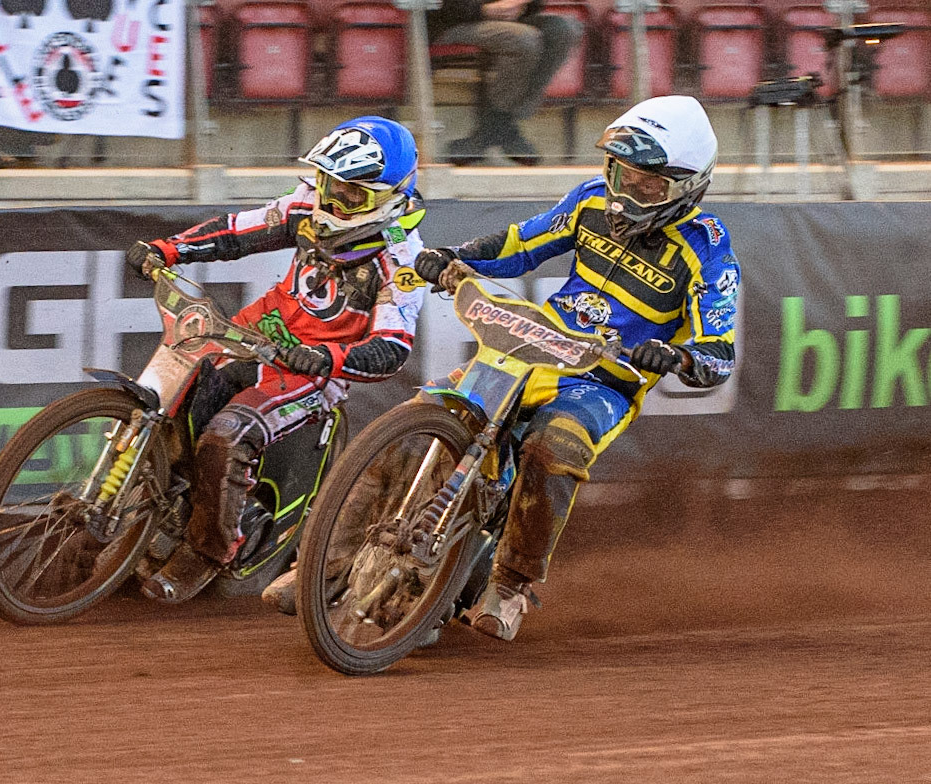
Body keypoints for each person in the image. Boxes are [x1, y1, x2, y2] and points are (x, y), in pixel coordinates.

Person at [413, 95, 740, 641]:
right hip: (535, 346)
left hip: (605, 379)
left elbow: (719, 351)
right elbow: (521, 244)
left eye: (647, 184)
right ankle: (331, 557)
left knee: (553, 447)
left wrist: (677, 356)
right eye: (620, 172)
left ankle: (512, 584)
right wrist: (454, 255)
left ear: (687, 185)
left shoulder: (707, 250)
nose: (626, 190)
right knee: (427, 411)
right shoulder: (590, 201)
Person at [126, 116, 427, 604]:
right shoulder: (305, 207)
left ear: (389, 197)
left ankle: (208, 552)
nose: (332, 201)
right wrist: (168, 249)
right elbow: (235, 233)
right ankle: (137, 516)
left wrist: (324, 357)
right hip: (252, 332)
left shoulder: (401, 259)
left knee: (227, 434)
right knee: (165, 406)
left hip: (309, 372)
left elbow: (392, 348)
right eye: (329, 184)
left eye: (351, 194)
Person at [428, 0, 583, 165]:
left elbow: (535, 6)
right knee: (524, 39)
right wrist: (483, 10)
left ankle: (497, 126)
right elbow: (443, 7)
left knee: (563, 29)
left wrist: (519, 4)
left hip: (509, 22)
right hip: (452, 22)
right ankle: (503, 128)